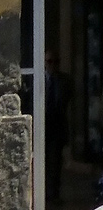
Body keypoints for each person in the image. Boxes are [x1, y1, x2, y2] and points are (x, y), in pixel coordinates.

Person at [45, 50, 72, 202]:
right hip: (42, 127)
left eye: (56, 62)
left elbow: (67, 100)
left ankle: (54, 193)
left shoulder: (65, 81)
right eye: (49, 62)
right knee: (44, 162)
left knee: (56, 162)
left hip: (58, 127)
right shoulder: (37, 80)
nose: (53, 66)